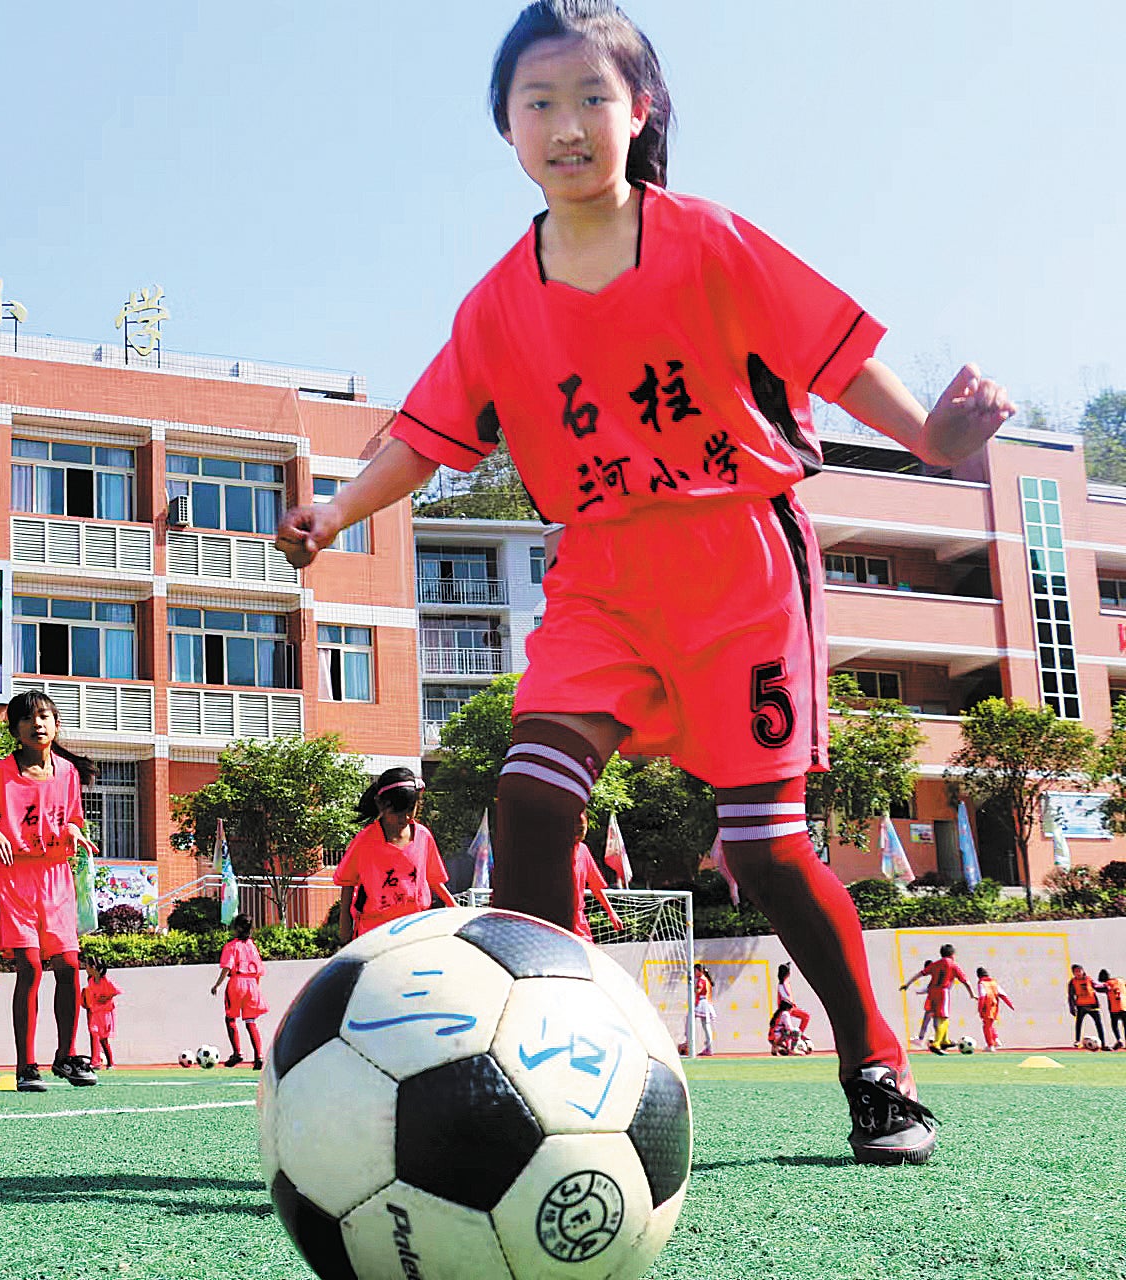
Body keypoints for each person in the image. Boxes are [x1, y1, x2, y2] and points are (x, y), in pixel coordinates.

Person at [273, 0, 1016, 1164]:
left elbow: (834, 348)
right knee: (528, 793)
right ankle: (548, 1061)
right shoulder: (497, 300)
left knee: (765, 843)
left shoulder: (709, 239)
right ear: (505, 130)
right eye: (538, 102)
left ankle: (877, 1065)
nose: (566, 124)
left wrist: (928, 432)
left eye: (591, 98)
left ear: (642, 111)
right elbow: (424, 437)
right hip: (604, 571)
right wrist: (334, 507)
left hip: (740, 563)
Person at [0, 690, 101, 1092]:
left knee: (68, 966)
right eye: (28, 719)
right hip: (15, 877)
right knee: (28, 966)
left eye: (45, 716)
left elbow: (75, 818)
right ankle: (26, 1065)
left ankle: (66, 1056)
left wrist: (76, 833)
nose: (37, 724)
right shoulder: (1, 773)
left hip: (57, 877)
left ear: (56, 724)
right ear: (15, 729)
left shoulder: (68, 774)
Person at [334, 768, 458, 942]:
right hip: (376, 932)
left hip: (416, 929)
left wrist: (455, 909)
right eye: (398, 812)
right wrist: (345, 930)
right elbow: (347, 884)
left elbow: (433, 879)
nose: (405, 818)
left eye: (410, 810)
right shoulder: (365, 841)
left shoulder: (423, 836)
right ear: (381, 804)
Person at [212, 914, 268, 1069]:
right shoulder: (252, 946)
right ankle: (259, 1056)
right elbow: (259, 970)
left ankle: (237, 1053)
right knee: (250, 1021)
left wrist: (217, 985)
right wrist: (256, 988)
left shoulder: (232, 946)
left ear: (237, 928)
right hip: (252, 984)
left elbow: (227, 967)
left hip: (237, 982)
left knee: (230, 1018)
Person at [900, 944, 972, 1054]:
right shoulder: (953, 965)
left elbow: (920, 974)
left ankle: (944, 1040)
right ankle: (937, 1043)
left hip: (932, 993)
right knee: (944, 1018)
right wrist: (972, 994)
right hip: (943, 992)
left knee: (936, 1017)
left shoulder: (935, 964)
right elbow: (966, 981)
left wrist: (907, 984)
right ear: (953, 954)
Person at [571, 813, 623, 940]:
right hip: (556, 921)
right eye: (574, 829)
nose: (578, 834)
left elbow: (596, 886)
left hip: (578, 922)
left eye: (581, 829)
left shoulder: (583, 850)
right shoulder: (556, 851)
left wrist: (611, 912)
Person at [79, 956, 121, 1071]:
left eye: (87, 966)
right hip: (95, 1011)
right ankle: (95, 1061)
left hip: (105, 1013)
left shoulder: (106, 980)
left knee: (103, 1038)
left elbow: (117, 990)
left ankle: (111, 1062)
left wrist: (106, 997)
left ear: (93, 967)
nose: (85, 968)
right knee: (94, 1032)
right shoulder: (91, 981)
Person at [769, 962, 811, 1049]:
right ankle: (798, 1036)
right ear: (787, 973)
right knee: (805, 1017)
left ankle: (787, 1043)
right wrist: (791, 1006)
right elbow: (785, 998)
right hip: (787, 1008)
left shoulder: (785, 982)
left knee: (787, 1026)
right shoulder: (782, 984)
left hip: (789, 1008)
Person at [974, 967, 1015, 1053]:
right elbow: (1002, 994)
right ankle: (995, 1040)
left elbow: (982, 996)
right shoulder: (993, 983)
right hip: (994, 1006)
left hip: (987, 1007)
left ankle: (990, 1045)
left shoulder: (981, 983)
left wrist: (980, 1009)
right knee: (989, 1024)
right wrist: (1010, 1005)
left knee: (986, 1026)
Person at [1070, 963, 1105, 1048]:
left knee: (1098, 1023)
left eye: (1079, 971)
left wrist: (1105, 988)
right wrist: (1072, 1007)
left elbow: (1096, 987)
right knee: (1079, 1023)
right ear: (1073, 973)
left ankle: (1102, 1042)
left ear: (1083, 971)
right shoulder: (1073, 982)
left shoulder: (1089, 979)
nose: (1078, 973)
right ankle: (1077, 1041)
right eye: (1076, 972)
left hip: (1092, 1005)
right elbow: (1071, 995)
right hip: (1081, 1005)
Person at [692, 963, 716, 1057]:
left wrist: (694, 987)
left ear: (699, 971)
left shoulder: (701, 980)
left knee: (706, 1026)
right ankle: (708, 1047)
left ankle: (709, 1048)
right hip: (706, 1002)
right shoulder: (706, 979)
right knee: (706, 1026)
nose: (694, 973)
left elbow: (698, 990)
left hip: (703, 1002)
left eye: (695, 971)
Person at [1101, 969, 1126, 1051]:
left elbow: (1100, 989)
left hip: (1114, 1008)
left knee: (1115, 1025)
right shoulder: (1121, 981)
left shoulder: (1107, 984)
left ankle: (1119, 1040)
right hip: (1124, 1006)